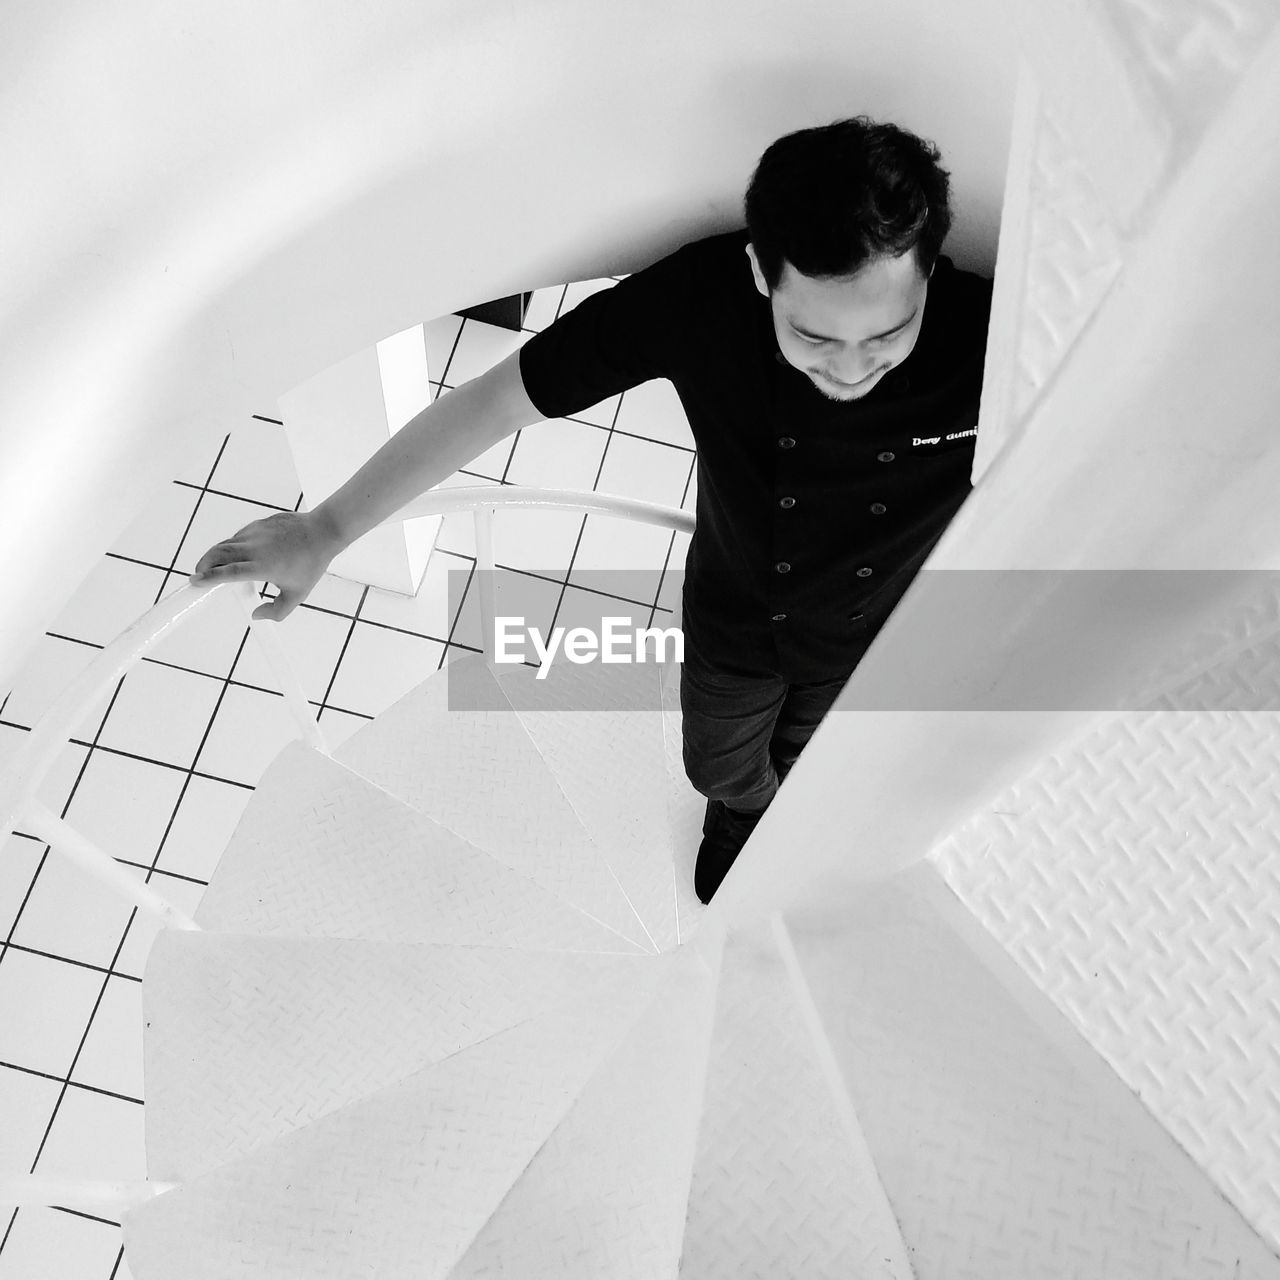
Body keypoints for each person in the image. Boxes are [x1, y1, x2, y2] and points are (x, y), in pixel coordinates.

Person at [190, 115, 993, 904]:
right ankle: (741, 818)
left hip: (885, 629)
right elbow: (496, 401)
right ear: (760, 274)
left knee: (827, 763)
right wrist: (325, 530)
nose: (852, 369)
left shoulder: (998, 334)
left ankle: (788, 833)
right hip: (739, 615)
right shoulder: (699, 302)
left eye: (887, 335)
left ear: (930, 274)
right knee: (717, 767)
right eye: (814, 337)